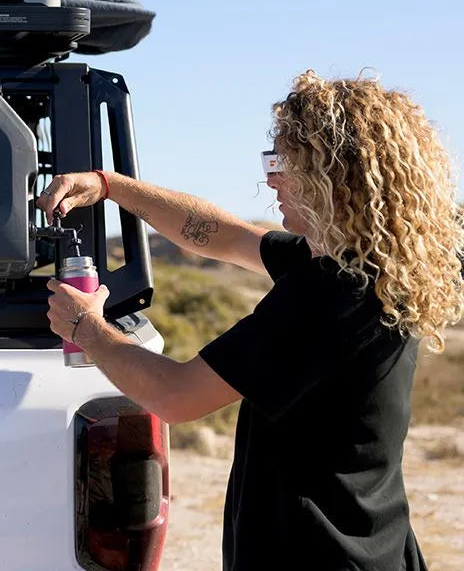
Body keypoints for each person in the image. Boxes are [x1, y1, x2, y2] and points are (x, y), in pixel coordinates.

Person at [36, 70, 463, 571]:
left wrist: (85, 327)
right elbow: (222, 235)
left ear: (334, 175)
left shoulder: (330, 293)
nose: (271, 178)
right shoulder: (366, 267)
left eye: (285, 163)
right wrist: (111, 186)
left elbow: (176, 395)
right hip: (372, 546)